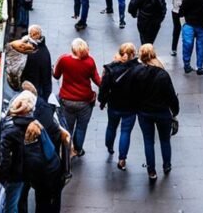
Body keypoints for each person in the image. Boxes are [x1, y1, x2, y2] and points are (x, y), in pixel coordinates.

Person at [0, 90, 64, 213]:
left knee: (15, 204)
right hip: (50, 168)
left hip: (35, 173)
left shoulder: (11, 130)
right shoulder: (37, 122)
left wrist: (3, 178)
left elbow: (5, 158)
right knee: (45, 203)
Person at [133, 44, 180, 182]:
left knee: (148, 141)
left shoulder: (137, 73)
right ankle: (166, 165)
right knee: (165, 140)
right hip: (162, 113)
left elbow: (133, 93)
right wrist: (175, 111)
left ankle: (151, 171)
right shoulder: (163, 74)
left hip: (144, 112)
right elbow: (171, 96)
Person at [53, 38, 100, 157]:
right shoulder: (90, 61)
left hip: (67, 100)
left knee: (68, 126)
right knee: (81, 127)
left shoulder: (64, 59)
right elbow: (97, 80)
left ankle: (67, 149)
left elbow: (56, 75)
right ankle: (78, 149)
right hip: (85, 101)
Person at [99, 43, 138, 171]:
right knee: (125, 132)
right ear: (133, 54)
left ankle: (109, 146)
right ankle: (122, 160)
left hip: (114, 104)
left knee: (111, 126)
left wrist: (102, 101)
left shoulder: (111, 69)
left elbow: (103, 87)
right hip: (130, 106)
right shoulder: (138, 69)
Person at [22, 25, 53, 101]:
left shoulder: (30, 50)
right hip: (39, 85)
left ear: (30, 35)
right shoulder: (44, 50)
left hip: (35, 85)